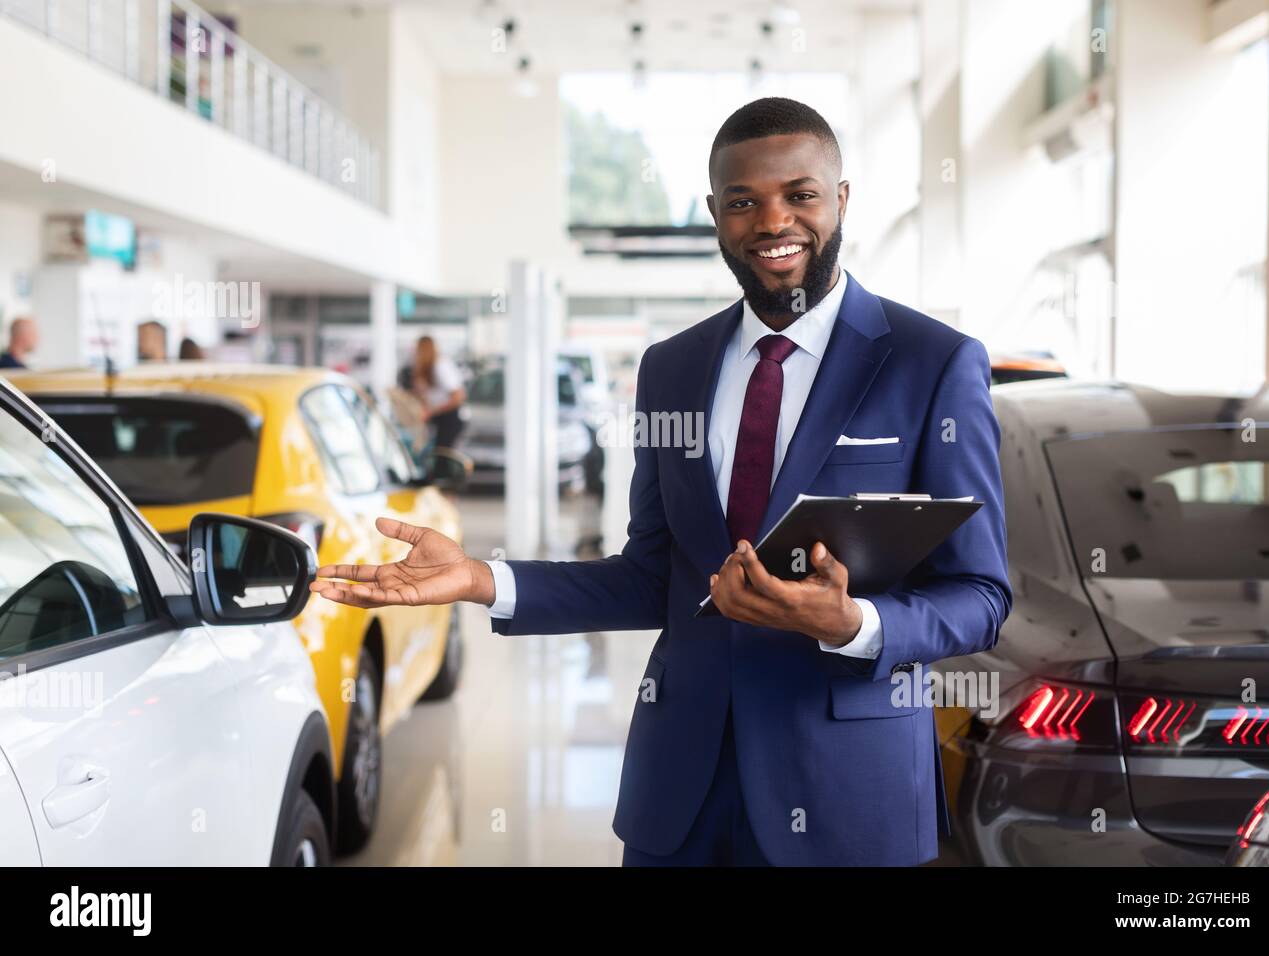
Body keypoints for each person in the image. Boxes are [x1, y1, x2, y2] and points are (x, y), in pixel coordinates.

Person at [312, 97, 1011, 867]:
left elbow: (980, 596)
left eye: (800, 195)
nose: (773, 221)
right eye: (744, 201)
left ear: (840, 199)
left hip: (848, 795)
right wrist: (482, 579)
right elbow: (653, 576)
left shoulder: (932, 362)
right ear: (716, 215)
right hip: (680, 795)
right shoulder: (672, 368)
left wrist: (852, 625)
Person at [396, 336, 466, 450]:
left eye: (417, 350)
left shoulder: (441, 365)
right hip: (439, 417)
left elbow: (458, 397)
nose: (415, 355)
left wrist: (431, 412)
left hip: (449, 418)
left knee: (441, 455)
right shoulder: (429, 368)